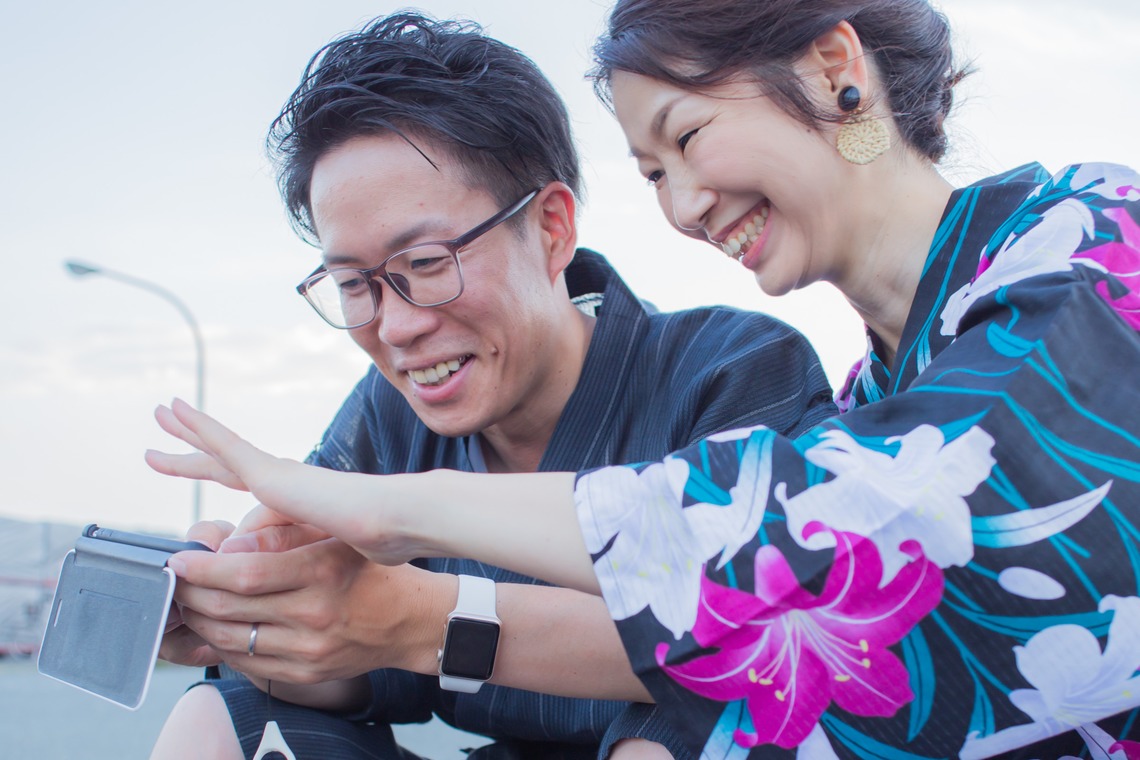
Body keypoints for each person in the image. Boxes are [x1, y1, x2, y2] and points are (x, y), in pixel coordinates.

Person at [146, 0, 1140, 756]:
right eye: (654, 171)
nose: (683, 206)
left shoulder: (1093, 239)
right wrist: (258, 607)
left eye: (689, 136)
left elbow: (806, 536)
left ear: (836, 69)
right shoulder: (868, 395)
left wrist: (397, 528)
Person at [147, 11, 838, 760]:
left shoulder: (733, 370)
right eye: (354, 284)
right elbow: (377, 674)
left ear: (550, 228)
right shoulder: (389, 417)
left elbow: (750, 638)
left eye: (428, 264)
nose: (397, 327)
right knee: (219, 720)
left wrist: (417, 617)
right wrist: (265, 621)